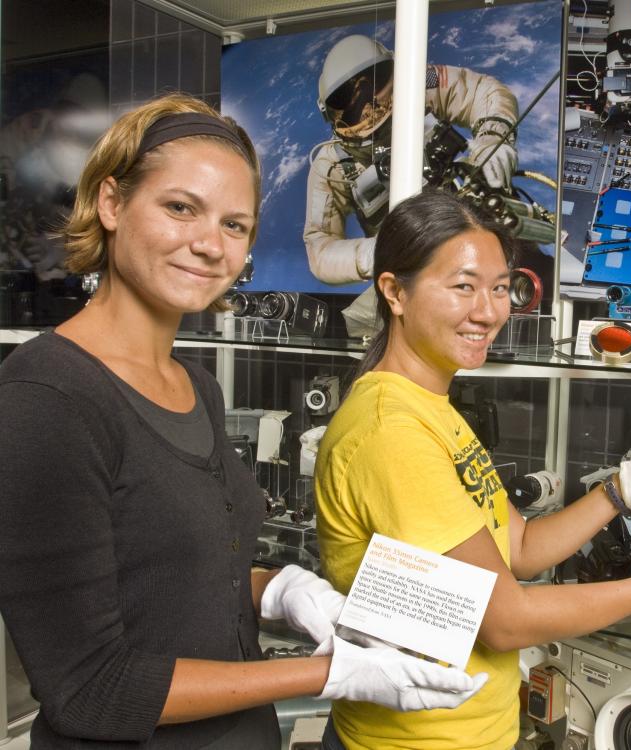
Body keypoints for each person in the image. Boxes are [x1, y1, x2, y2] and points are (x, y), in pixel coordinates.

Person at [0, 94, 485, 749]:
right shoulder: (47, 398)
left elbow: (177, 580)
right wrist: (320, 673)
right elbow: (90, 689)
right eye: (180, 208)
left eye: (235, 226)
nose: (208, 245)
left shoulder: (196, 388)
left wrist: (278, 589)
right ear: (112, 204)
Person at [313, 189, 631, 750]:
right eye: (463, 286)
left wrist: (618, 491)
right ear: (395, 292)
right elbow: (506, 620)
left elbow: (521, 547)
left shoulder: (431, 409)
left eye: (498, 287)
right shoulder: (391, 431)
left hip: (475, 731)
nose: (488, 311)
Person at [303, 35, 519, 335]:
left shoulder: (418, 83)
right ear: (331, 113)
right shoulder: (333, 164)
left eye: (371, 86)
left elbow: (483, 91)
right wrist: (375, 252)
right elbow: (320, 249)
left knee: (519, 278)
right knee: (350, 329)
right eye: (350, 102)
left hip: (477, 227)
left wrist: (494, 139)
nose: (368, 107)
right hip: (412, 268)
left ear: (393, 73)